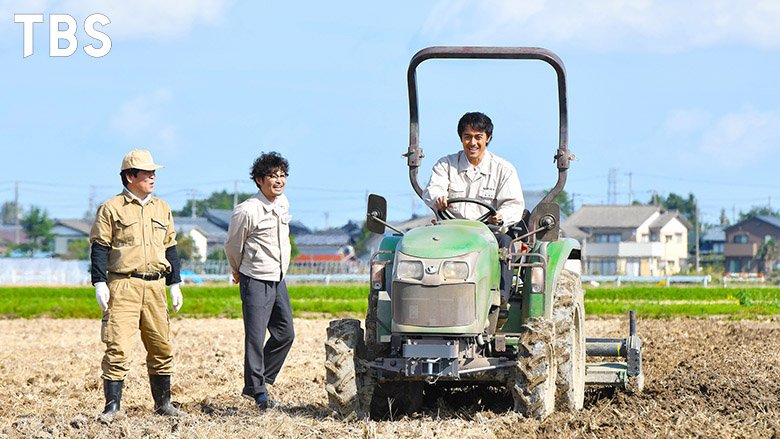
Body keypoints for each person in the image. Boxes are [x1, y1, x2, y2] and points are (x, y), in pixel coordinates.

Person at [89, 149, 184, 421]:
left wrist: (175, 282)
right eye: (147, 172)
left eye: (154, 172)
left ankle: (163, 404)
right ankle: (113, 407)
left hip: (155, 288)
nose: (153, 177)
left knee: (161, 346)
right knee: (117, 347)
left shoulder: (162, 208)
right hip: (123, 286)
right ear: (131, 176)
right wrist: (99, 282)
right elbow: (99, 247)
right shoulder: (111, 208)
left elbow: (171, 248)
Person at [422, 112, 525, 303]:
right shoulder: (446, 164)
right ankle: (425, 295)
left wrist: (501, 217)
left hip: (488, 233)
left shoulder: (503, 169)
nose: (473, 142)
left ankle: (501, 297)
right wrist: (438, 198)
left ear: (488, 139)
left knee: (506, 243)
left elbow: (514, 204)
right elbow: (432, 189)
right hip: (450, 230)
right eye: (467, 136)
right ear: (461, 138)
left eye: (478, 137)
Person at [224, 151, 295, 411]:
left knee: (286, 333)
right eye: (272, 176)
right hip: (255, 277)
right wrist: (237, 269)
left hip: (278, 277)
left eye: (282, 175)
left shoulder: (283, 203)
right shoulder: (247, 210)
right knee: (255, 337)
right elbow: (233, 245)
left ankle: (258, 380)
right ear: (258, 180)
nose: (278, 180)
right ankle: (258, 392)